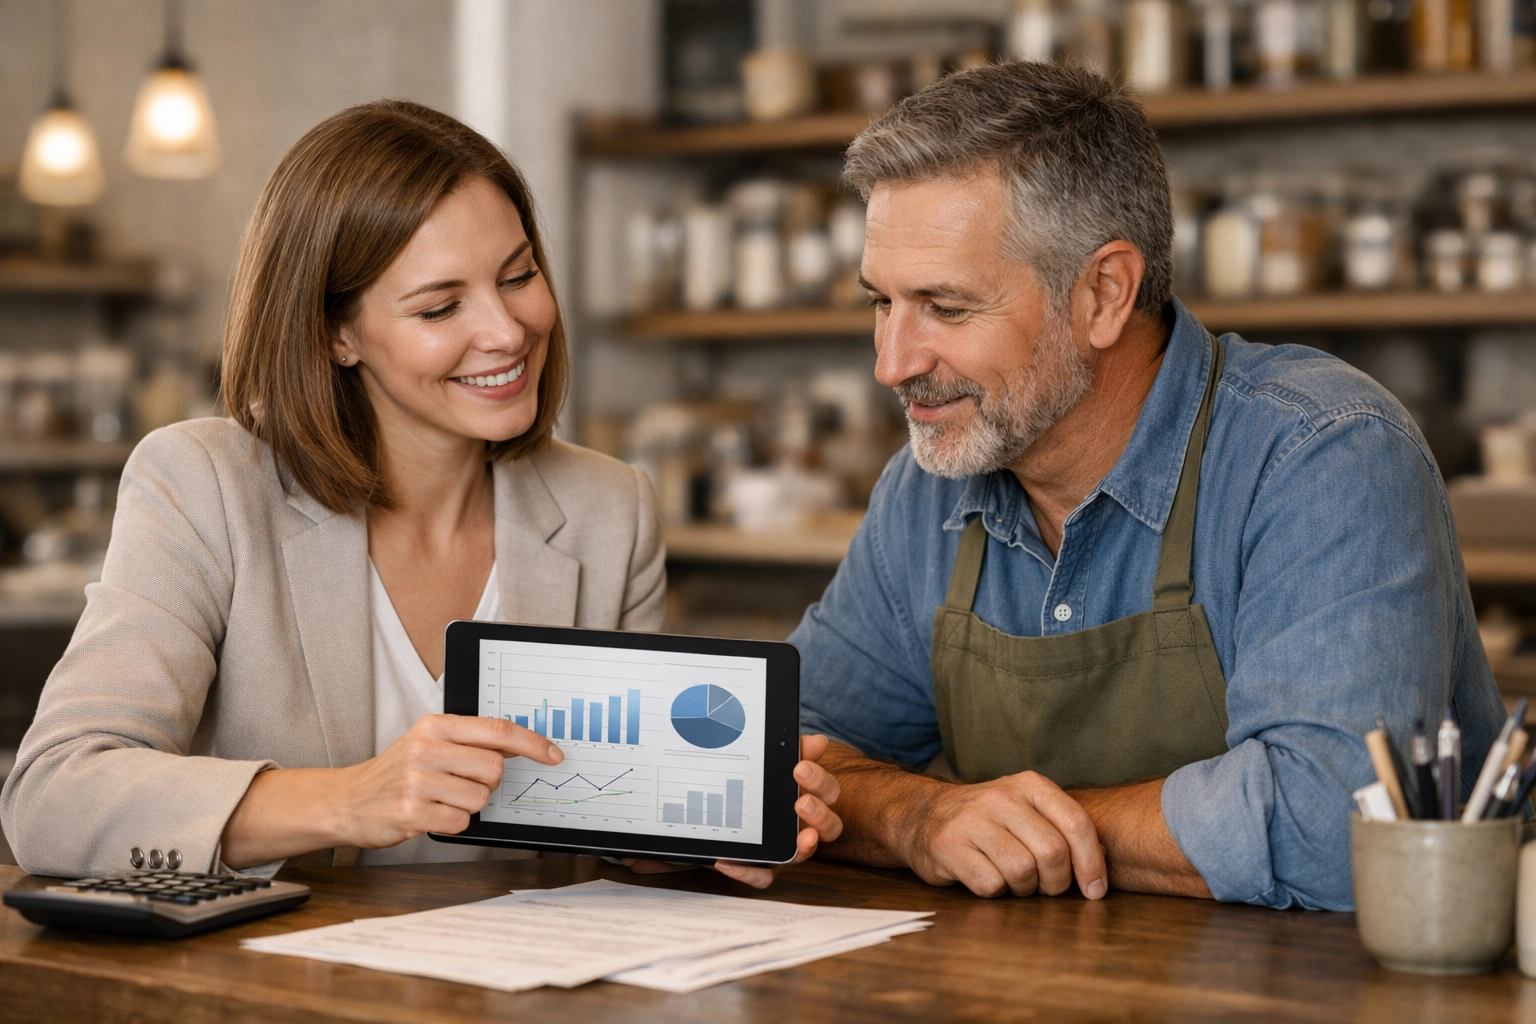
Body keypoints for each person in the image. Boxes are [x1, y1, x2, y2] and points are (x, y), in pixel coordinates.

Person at [0, 101, 840, 884]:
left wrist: (703, 834)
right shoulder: (202, 484)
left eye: (517, 276)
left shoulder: (606, 507)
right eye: (441, 308)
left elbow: (592, 833)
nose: (507, 331)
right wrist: (352, 797)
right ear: (335, 334)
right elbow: (53, 795)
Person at [790, 61, 1504, 910]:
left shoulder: (1322, 456)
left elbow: (1332, 826)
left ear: (1103, 293)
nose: (892, 363)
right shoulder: (926, 490)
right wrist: (918, 815)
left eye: (944, 308)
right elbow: (775, 758)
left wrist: (1033, 831)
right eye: (882, 302)